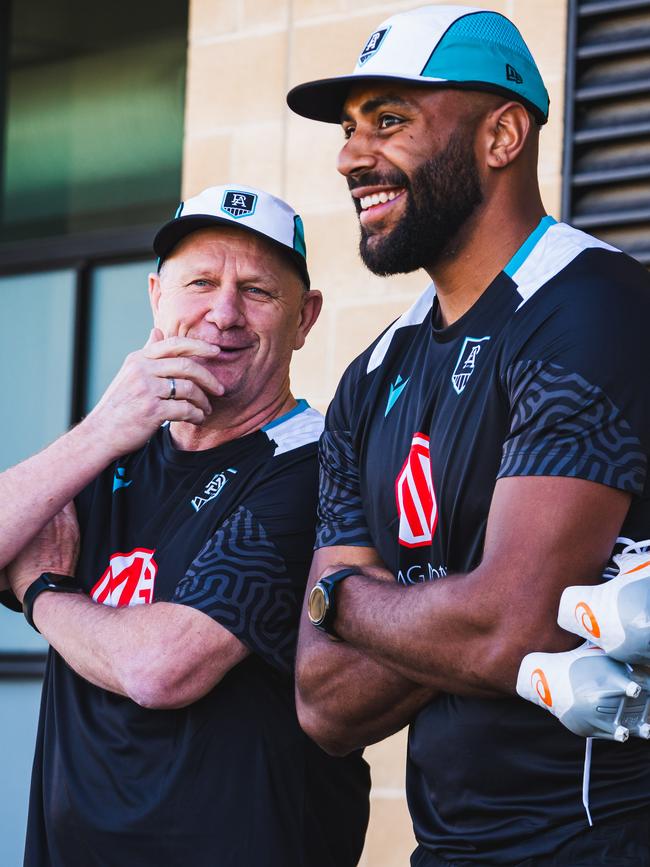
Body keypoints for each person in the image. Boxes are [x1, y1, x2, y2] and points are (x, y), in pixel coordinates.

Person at [286, 6, 650, 865]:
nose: (351, 156)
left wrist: (343, 599)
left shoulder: (592, 307)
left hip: (599, 842)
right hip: (445, 849)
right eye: (348, 128)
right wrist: (473, 601)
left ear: (503, 135)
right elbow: (322, 701)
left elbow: (508, 626)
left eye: (391, 120)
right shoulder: (370, 380)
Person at [0, 183, 370, 867]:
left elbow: (161, 666)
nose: (223, 313)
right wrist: (102, 430)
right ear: (155, 298)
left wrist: (43, 592)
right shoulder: (115, 447)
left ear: (304, 317)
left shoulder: (318, 464)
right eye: (200, 281)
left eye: (258, 290)